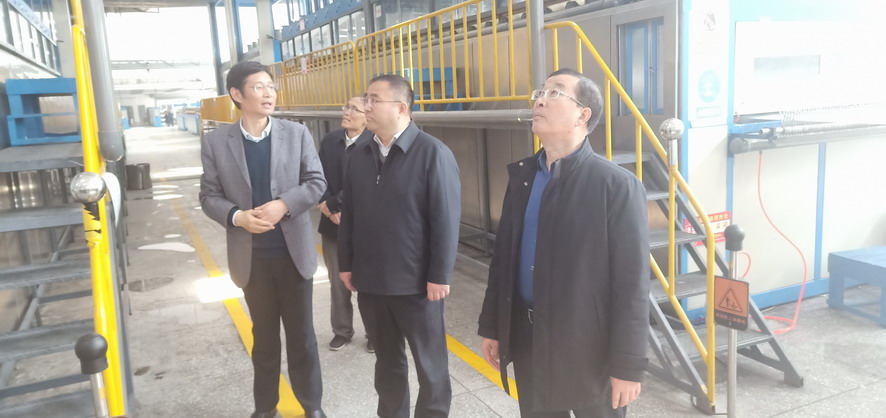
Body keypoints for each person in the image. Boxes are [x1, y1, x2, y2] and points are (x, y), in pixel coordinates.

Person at [477, 68, 650, 418]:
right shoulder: (523, 177)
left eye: (554, 93)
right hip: (528, 338)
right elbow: (503, 261)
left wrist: (628, 365)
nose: (540, 100)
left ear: (583, 115)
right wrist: (493, 327)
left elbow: (631, 284)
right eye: (540, 93)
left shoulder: (615, 186)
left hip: (589, 347)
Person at [199, 60, 327, 418]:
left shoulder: (296, 133)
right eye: (258, 87)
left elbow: (316, 182)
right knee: (265, 339)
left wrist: (284, 204)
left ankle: (312, 407)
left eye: (271, 86)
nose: (268, 93)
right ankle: (265, 408)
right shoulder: (216, 142)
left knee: (302, 338)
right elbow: (208, 195)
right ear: (237, 94)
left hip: (293, 255)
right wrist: (237, 217)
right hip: (252, 259)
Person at [338, 74, 461, 418]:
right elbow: (350, 215)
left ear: (402, 108)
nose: (366, 106)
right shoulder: (359, 153)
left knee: (430, 365)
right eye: (366, 98)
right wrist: (346, 264)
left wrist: (440, 274)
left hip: (417, 284)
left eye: (374, 100)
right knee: (387, 362)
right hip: (371, 281)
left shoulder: (432, 153)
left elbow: (446, 219)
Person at [317, 96, 374, 352]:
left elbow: (366, 183)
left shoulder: (374, 143)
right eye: (346, 107)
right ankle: (342, 331)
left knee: (368, 283)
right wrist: (326, 206)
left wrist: (335, 204)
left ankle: (374, 333)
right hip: (332, 225)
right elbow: (316, 176)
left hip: (363, 226)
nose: (347, 112)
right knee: (337, 283)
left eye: (354, 109)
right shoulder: (330, 141)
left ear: (366, 116)